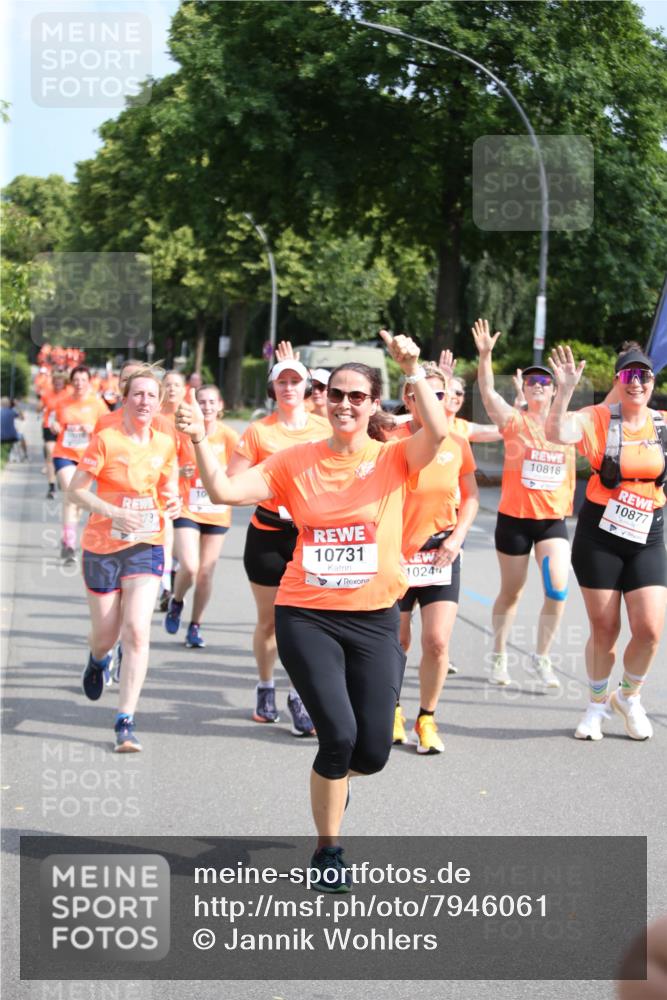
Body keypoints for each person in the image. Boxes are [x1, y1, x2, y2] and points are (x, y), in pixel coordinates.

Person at [177, 330, 447, 890]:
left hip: (375, 617)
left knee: (372, 752)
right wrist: (201, 439)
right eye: (337, 395)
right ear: (323, 401)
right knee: (339, 736)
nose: (345, 404)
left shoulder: (394, 458)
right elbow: (225, 492)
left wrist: (413, 370)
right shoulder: (292, 461)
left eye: (357, 396)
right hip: (308, 613)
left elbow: (438, 431)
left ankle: (330, 781)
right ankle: (329, 849)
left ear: (374, 404)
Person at [545, 345, 667, 741]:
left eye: (644, 376)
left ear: (652, 382)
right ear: (617, 381)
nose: (637, 383)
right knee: (605, 626)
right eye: (629, 376)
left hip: (648, 532)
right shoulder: (596, 418)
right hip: (601, 534)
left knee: (649, 629)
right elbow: (556, 433)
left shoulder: (662, 425)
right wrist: (564, 392)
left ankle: (628, 697)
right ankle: (596, 704)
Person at [67, 366, 180, 752]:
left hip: (146, 543)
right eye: (138, 395)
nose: (144, 401)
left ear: (160, 401)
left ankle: (125, 720)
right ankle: (98, 660)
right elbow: (77, 493)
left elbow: (166, 484)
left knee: (136, 630)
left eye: (151, 395)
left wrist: (174, 499)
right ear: (126, 398)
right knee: (106, 635)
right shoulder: (105, 440)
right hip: (102, 546)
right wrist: (113, 512)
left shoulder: (164, 443)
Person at [225, 349, 330, 735]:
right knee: (269, 622)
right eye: (282, 382)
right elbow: (232, 482)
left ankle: (299, 696)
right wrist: (271, 491)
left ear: (307, 387)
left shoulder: (323, 428)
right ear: (273, 387)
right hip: (268, 535)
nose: (288, 388)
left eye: (295, 381)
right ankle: (265, 686)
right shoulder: (259, 432)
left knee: (309, 623)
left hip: (312, 539)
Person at [471, 318, 576, 688]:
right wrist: (485, 356)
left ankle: (541, 657)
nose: (537, 386)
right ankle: (499, 654)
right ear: (526, 389)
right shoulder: (514, 422)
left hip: (551, 522)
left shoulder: (569, 425)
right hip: (514, 520)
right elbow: (487, 393)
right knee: (512, 591)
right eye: (532, 382)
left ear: (553, 391)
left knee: (557, 588)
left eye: (545, 382)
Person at [393, 363, 479, 752]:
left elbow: (472, 497)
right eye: (425, 394)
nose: (434, 401)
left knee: (437, 641)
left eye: (441, 395)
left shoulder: (458, 443)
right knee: (397, 640)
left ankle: (426, 718)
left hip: (440, 553)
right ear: (410, 398)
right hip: (394, 555)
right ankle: (390, 709)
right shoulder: (388, 437)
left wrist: (457, 538)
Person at [165, 385, 239, 648]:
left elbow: (240, 470)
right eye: (202, 402)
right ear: (195, 406)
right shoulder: (183, 433)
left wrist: (225, 477)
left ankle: (195, 626)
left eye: (211, 402)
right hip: (188, 507)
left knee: (206, 572)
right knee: (191, 566)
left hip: (217, 511)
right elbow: (169, 464)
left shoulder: (229, 437)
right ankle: (176, 601)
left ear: (220, 406)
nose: (206, 407)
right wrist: (180, 474)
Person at [51, 366, 108, 564]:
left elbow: (107, 430)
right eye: (76, 380)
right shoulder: (62, 402)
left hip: (88, 458)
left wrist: (92, 429)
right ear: (71, 381)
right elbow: (53, 420)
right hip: (64, 453)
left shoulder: (97, 404)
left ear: (89, 381)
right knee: (70, 492)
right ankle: (69, 545)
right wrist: (55, 426)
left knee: (75, 499)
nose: (79, 384)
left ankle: (68, 536)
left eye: (83, 380)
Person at [40, 370, 70, 498]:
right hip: (49, 426)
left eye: (60, 382)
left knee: (62, 455)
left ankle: (60, 474)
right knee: (50, 453)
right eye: (56, 382)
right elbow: (40, 406)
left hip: (64, 428)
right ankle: (51, 487)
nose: (58, 384)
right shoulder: (47, 394)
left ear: (65, 383)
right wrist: (41, 406)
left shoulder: (69, 394)